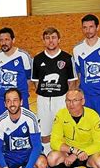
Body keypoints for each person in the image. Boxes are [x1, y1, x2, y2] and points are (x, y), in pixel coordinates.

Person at [48, 89, 100, 168]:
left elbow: (99, 145)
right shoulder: (61, 114)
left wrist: (78, 154)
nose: (71, 104)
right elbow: (54, 141)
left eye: (75, 100)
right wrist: (73, 151)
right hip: (68, 152)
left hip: (88, 154)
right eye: (68, 100)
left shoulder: (93, 116)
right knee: (52, 158)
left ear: (83, 101)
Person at [31, 27, 77, 156]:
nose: (50, 41)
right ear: (43, 40)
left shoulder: (67, 58)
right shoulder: (37, 59)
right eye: (47, 38)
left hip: (61, 99)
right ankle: (47, 157)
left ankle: (66, 160)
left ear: (59, 39)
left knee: (64, 132)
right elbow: (35, 82)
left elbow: (72, 82)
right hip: (43, 100)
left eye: (53, 38)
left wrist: (69, 101)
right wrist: (45, 91)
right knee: (44, 132)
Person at [73, 14, 100, 123]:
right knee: (88, 126)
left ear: (97, 27)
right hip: (87, 96)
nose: (88, 30)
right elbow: (78, 76)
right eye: (85, 27)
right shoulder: (77, 49)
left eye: (91, 27)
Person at [0, 27, 32, 121]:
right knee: (0, 128)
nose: (4, 43)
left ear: (13, 40)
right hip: (2, 100)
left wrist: (19, 94)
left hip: (20, 99)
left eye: (7, 39)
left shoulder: (23, 56)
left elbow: (28, 78)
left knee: (24, 127)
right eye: (1, 40)